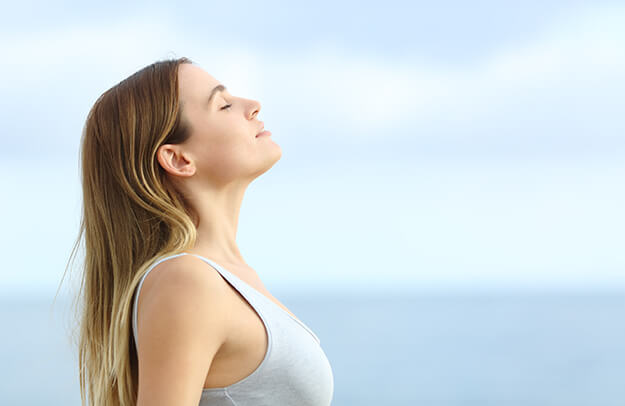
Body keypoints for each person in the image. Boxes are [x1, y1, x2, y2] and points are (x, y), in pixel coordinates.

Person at [68, 57, 334, 406]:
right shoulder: (186, 281)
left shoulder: (225, 278)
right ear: (178, 159)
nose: (253, 106)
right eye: (223, 105)